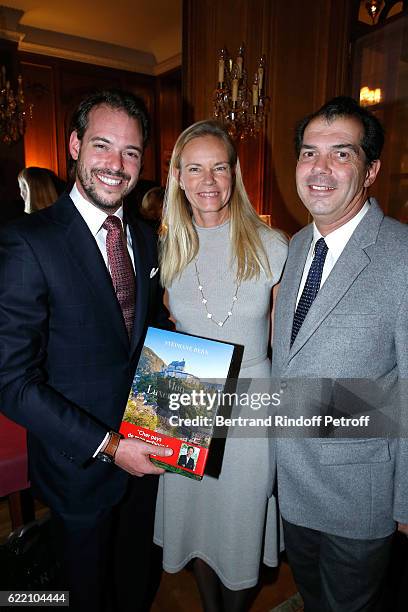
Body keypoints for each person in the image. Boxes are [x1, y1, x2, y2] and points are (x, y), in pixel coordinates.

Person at [0, 88, 173, 612]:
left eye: (131, 153)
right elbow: (12, 382)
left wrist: (172, 420)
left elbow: (148, 336)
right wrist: (111, 446)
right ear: (75, 144)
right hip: (79, 464)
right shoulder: (28, 242)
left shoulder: (146, 239)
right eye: (103, 146)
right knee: (84, 595)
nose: (116, 166)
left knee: (135, 585)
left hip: (146, 457)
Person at [272, 96, 408, 612]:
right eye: (309, 153)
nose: (320, 169)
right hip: (293, 484)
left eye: (341, 154)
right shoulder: (294, 245)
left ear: (370, 170)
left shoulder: (401, 255)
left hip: (360, 493)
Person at [154, 119, 288, 611]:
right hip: (186, 391)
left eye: (218, 168)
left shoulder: (275, 247)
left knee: (240, 522)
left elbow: (287, 342)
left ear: (234, 175)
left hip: (252, 398)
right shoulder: (166, 248)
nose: (208, 181)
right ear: (178, 178)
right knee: (197, 523)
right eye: (195, 169)